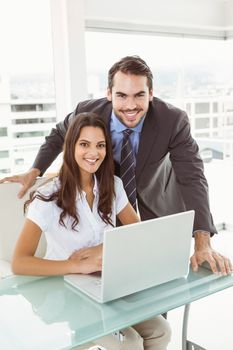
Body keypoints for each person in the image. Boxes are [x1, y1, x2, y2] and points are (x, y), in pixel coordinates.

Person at [3, 55, 232, 275]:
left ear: (151, 94)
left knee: (153, 283)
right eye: (122, 95)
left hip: (152, 209)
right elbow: (58, 137)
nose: (131, 105)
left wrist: (203, 242)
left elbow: (192, 177)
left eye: (139, 95)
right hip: (106, 208)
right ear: (109, 94)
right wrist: (35, 170)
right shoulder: (87, 114)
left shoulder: (172, 120)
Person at [11, 112, 171, 350]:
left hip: (105, 285)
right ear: (71, 147)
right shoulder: (47, 199)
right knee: (130, 343)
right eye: (84, 144)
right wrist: (75, 265)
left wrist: (103, 248)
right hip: (66, 291)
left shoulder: (113, 186)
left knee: (161, 331)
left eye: (100, 145)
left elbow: (138, 235)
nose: (93, 153)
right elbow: (19, 262)